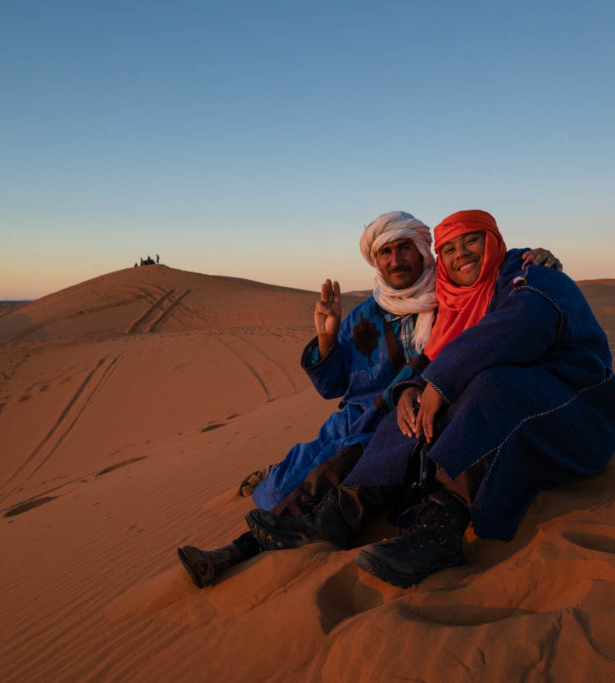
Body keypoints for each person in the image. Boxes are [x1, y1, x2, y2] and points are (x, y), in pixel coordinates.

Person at [245, 209, 615, 588]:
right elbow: (347, 382)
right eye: (450, 248)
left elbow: (512, 330)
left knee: (486, 385)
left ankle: (441, 530)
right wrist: (406, 386)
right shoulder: (445, 300)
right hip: (370, 421)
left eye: (471, 241)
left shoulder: (522, 279)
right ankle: (336, 518)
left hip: (573, 410)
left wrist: (437, 383)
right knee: (396, 417)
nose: (460, 253)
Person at [177, 211, 562, 587]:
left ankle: (239, 551)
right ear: (375, 260)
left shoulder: (452, 295)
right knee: (300, 478)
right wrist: (327, 338)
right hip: (356, 422)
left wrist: (535, 258)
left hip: (418, 420)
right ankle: (231, 552)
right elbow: (332, 387)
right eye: (386, 252)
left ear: (424, 251)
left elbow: (497, 281)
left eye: (404, 248)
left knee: (339, 477)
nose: (396, 260)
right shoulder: (363, 315)